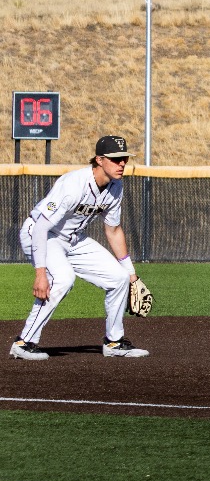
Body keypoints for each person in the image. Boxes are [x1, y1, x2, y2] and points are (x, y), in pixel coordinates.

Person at [11, 135, 149, 360]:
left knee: (119, 277)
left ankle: (114, 342)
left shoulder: (116, 187)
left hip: (74, 239)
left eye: (124, 158)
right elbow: (40, 228)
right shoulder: (73, 184)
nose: (122, 163)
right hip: (42, 234)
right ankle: (24, 342)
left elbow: (113, 230)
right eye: (116, 159)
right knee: (63, 279)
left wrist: (132, 274)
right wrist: (40, 274)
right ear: (99, 160)